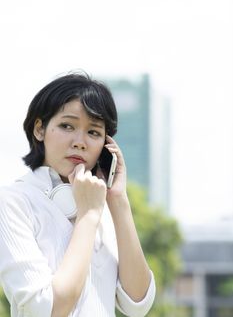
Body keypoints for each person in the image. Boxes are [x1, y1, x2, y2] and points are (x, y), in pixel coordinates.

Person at [0, 72, 156, 317]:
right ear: (40, 129)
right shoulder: (14, 201)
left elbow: (138, 303)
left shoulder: (100, 203)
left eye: (93, 132)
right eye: (67, 126)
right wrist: (88, 216)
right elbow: (47, 310)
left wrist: (118, 200)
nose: (80, 142)